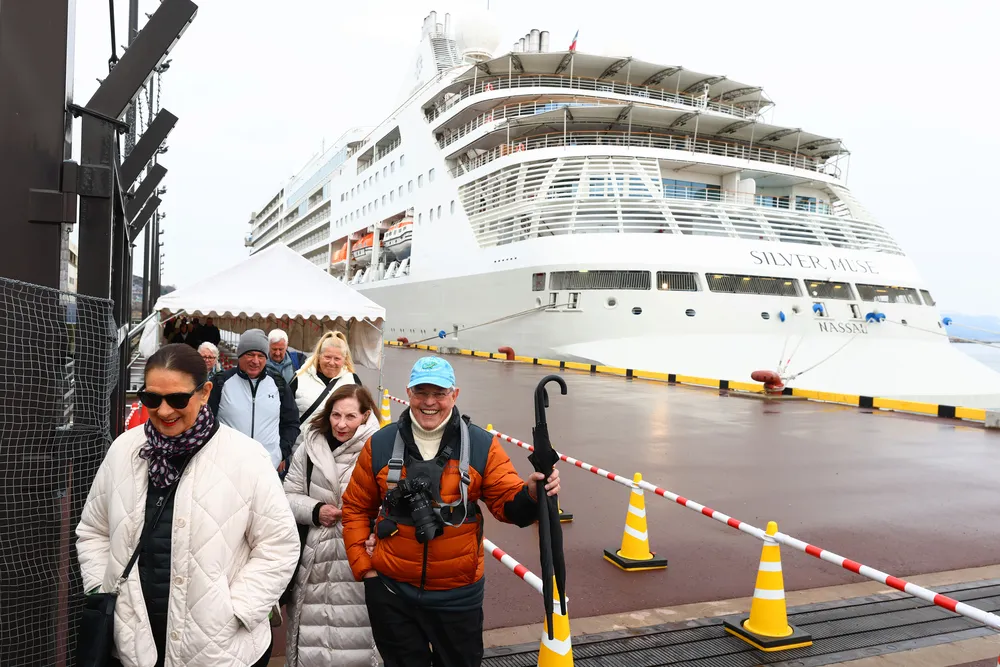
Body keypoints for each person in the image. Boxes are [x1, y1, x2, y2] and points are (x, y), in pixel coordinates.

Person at [75, 343, 300, 667]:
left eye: (178, 399)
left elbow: (279, 545)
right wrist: (102, 588)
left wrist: (236, 610)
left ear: (205, 392)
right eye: (152, 399)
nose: (164, 411)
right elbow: (94, 530)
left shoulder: (247, 457)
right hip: (131, 642)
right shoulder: (124, 450)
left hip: (221, 649)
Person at [341, 356, 560, 667]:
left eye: (439, 393)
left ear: (454, 395)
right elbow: (354, 508)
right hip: (392, 593)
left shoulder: (482, 445)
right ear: (408, 393)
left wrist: (532, 493)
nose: (429, 402)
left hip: (458, 597)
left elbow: (510, 506)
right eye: (421, 392)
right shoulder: (381, 443)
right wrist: (367, 571)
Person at [283, 384, 382, 667]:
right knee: (312, 639)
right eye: (336, 415)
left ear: (365, 416)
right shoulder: (309, 446)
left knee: (358, 636)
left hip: (361, 556)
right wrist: (315, 510)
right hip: (315, 559)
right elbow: (286, 495)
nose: (341, 424)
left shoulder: (383, 448)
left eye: (350, 417)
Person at [209, 328, 299, 476]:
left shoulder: (278, 384)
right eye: (250, 354)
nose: (255, 361)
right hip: (227, 469)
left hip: (266, 468)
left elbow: (291, 422)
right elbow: (206, 422)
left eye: (260, 356)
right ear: (240, 355)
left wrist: (281, 453)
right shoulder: (221, 382)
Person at [293, 332, 361, 440]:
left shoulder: (352, 381)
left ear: (344, 359)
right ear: (319, 356)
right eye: (327, 357)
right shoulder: (299, 377)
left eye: (337, 359)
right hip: (301, 449)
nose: (331, 363)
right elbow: (284, 416)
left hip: (338, 451)